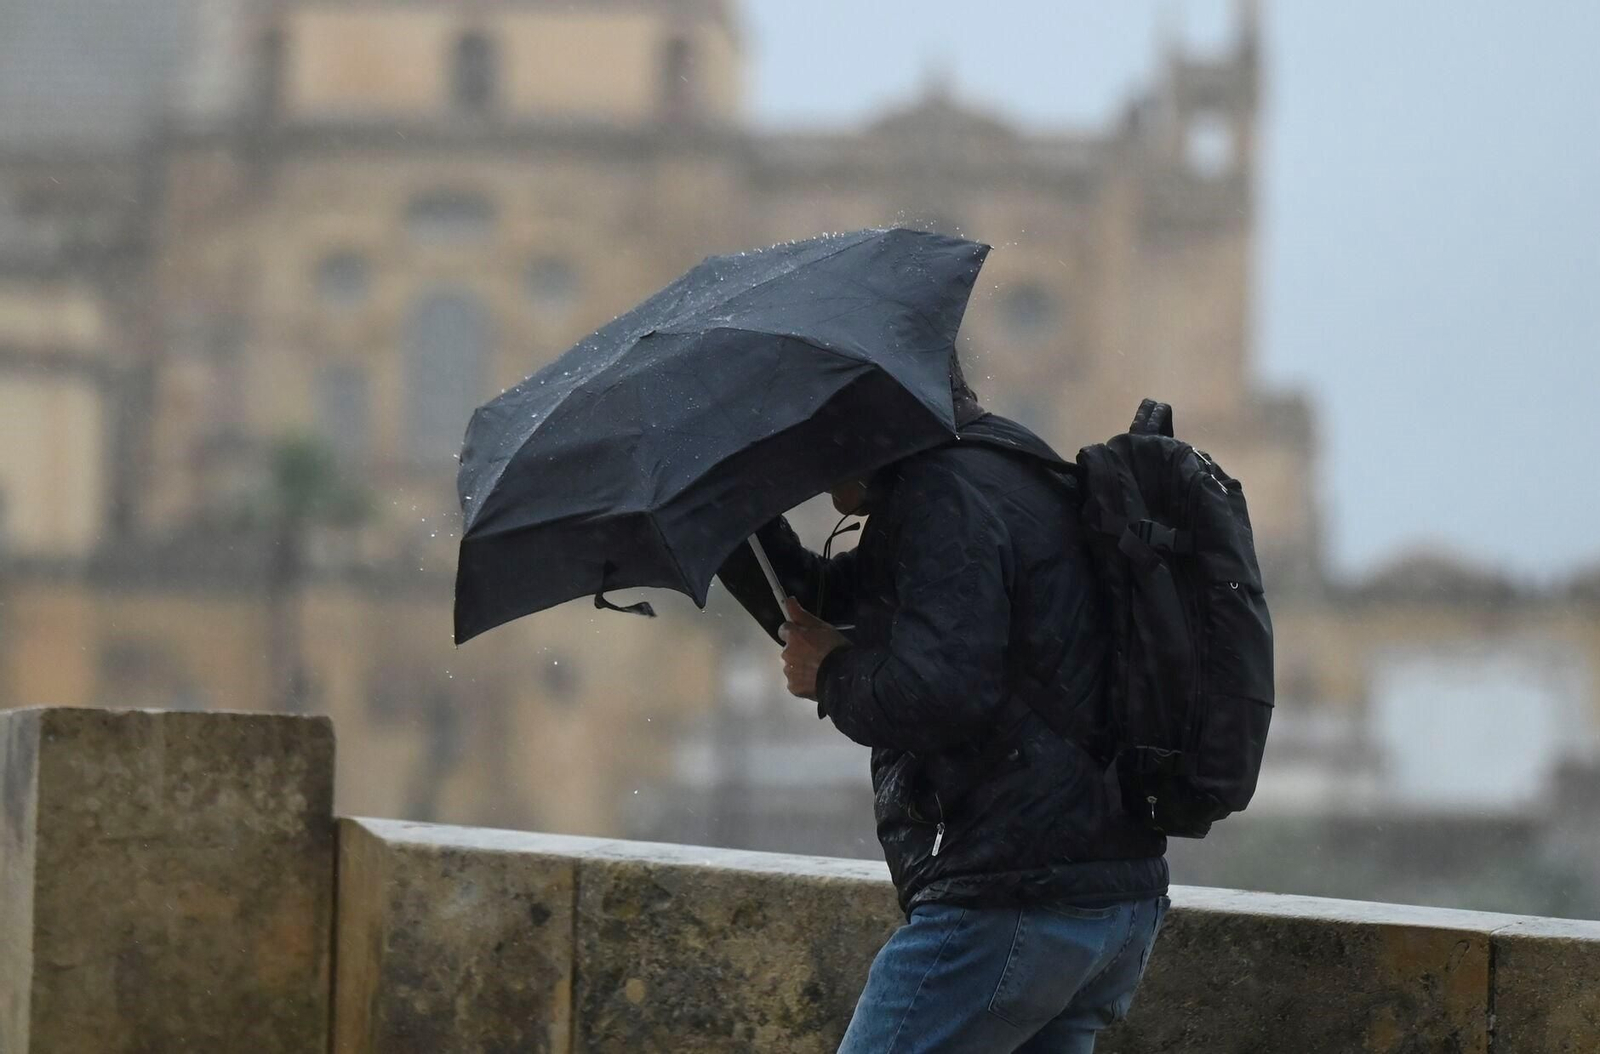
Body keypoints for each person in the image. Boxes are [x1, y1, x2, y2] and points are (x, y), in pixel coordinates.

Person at [715, 354, 1170, 1053]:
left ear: (857, 426)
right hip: (1107, 901)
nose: (801, 463)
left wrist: (831, 677)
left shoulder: (943, 497)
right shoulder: (996, 464)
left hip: (1015, 901)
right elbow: (848, 608)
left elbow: (939, 694)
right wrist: (727, 514)